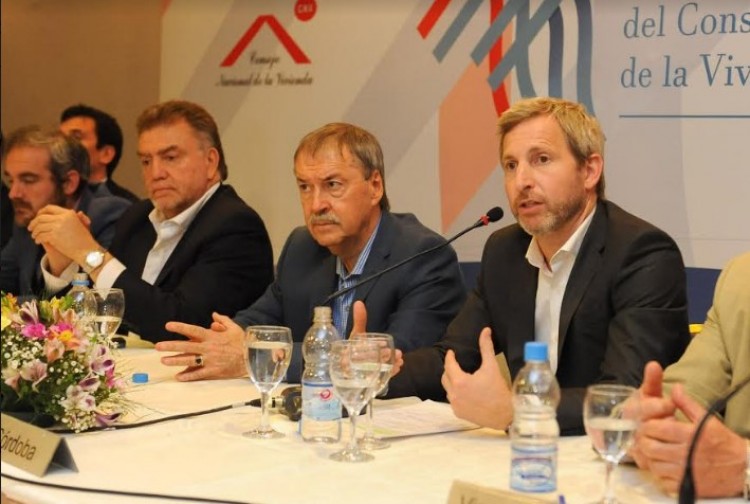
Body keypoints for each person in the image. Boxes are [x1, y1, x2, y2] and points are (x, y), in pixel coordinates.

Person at [387, 97, 691, 435]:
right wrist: (378, 371)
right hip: (529, 451)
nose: (522, 181)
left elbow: (624, 396)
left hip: (609, 453)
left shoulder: (641, 253)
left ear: (589, 171)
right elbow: (453, 357)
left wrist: (517, 412)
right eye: (511, 165)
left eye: (541, 159)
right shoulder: (505, 251)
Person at [156, 122, 466, 382]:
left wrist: (251, 357)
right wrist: (226, 339)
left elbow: (388, 364)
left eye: (333, 185)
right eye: (305, 187)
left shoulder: (424, 256)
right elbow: (257, 322)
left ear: (375, 187)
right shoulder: (302, 247)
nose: (316, 204)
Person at [29, 100, 274, 342]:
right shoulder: (137, 217)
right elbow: (81, 321)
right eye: (146, 161)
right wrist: (63, 263)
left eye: (170, 157)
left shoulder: (235, 226)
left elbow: (182, 325)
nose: (155, 173)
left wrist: (89, 253)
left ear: (210, 162)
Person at [631, 251, 750, 499]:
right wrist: (645, 423)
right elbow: (687, 394)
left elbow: (738, 461)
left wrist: (745, 465)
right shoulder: (742, 278)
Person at [1, 126, 131, 296]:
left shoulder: (110, 215)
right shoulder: (28, 216)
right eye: (11, 180)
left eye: (28, 180)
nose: (13, 193)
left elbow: (90, 300)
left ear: (69, 183)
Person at [60, 104, 140, 202]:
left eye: (76, 137)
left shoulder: (126, 205)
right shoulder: (48, 194)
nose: (61, 144)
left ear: (106, 154)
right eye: (59, 137)